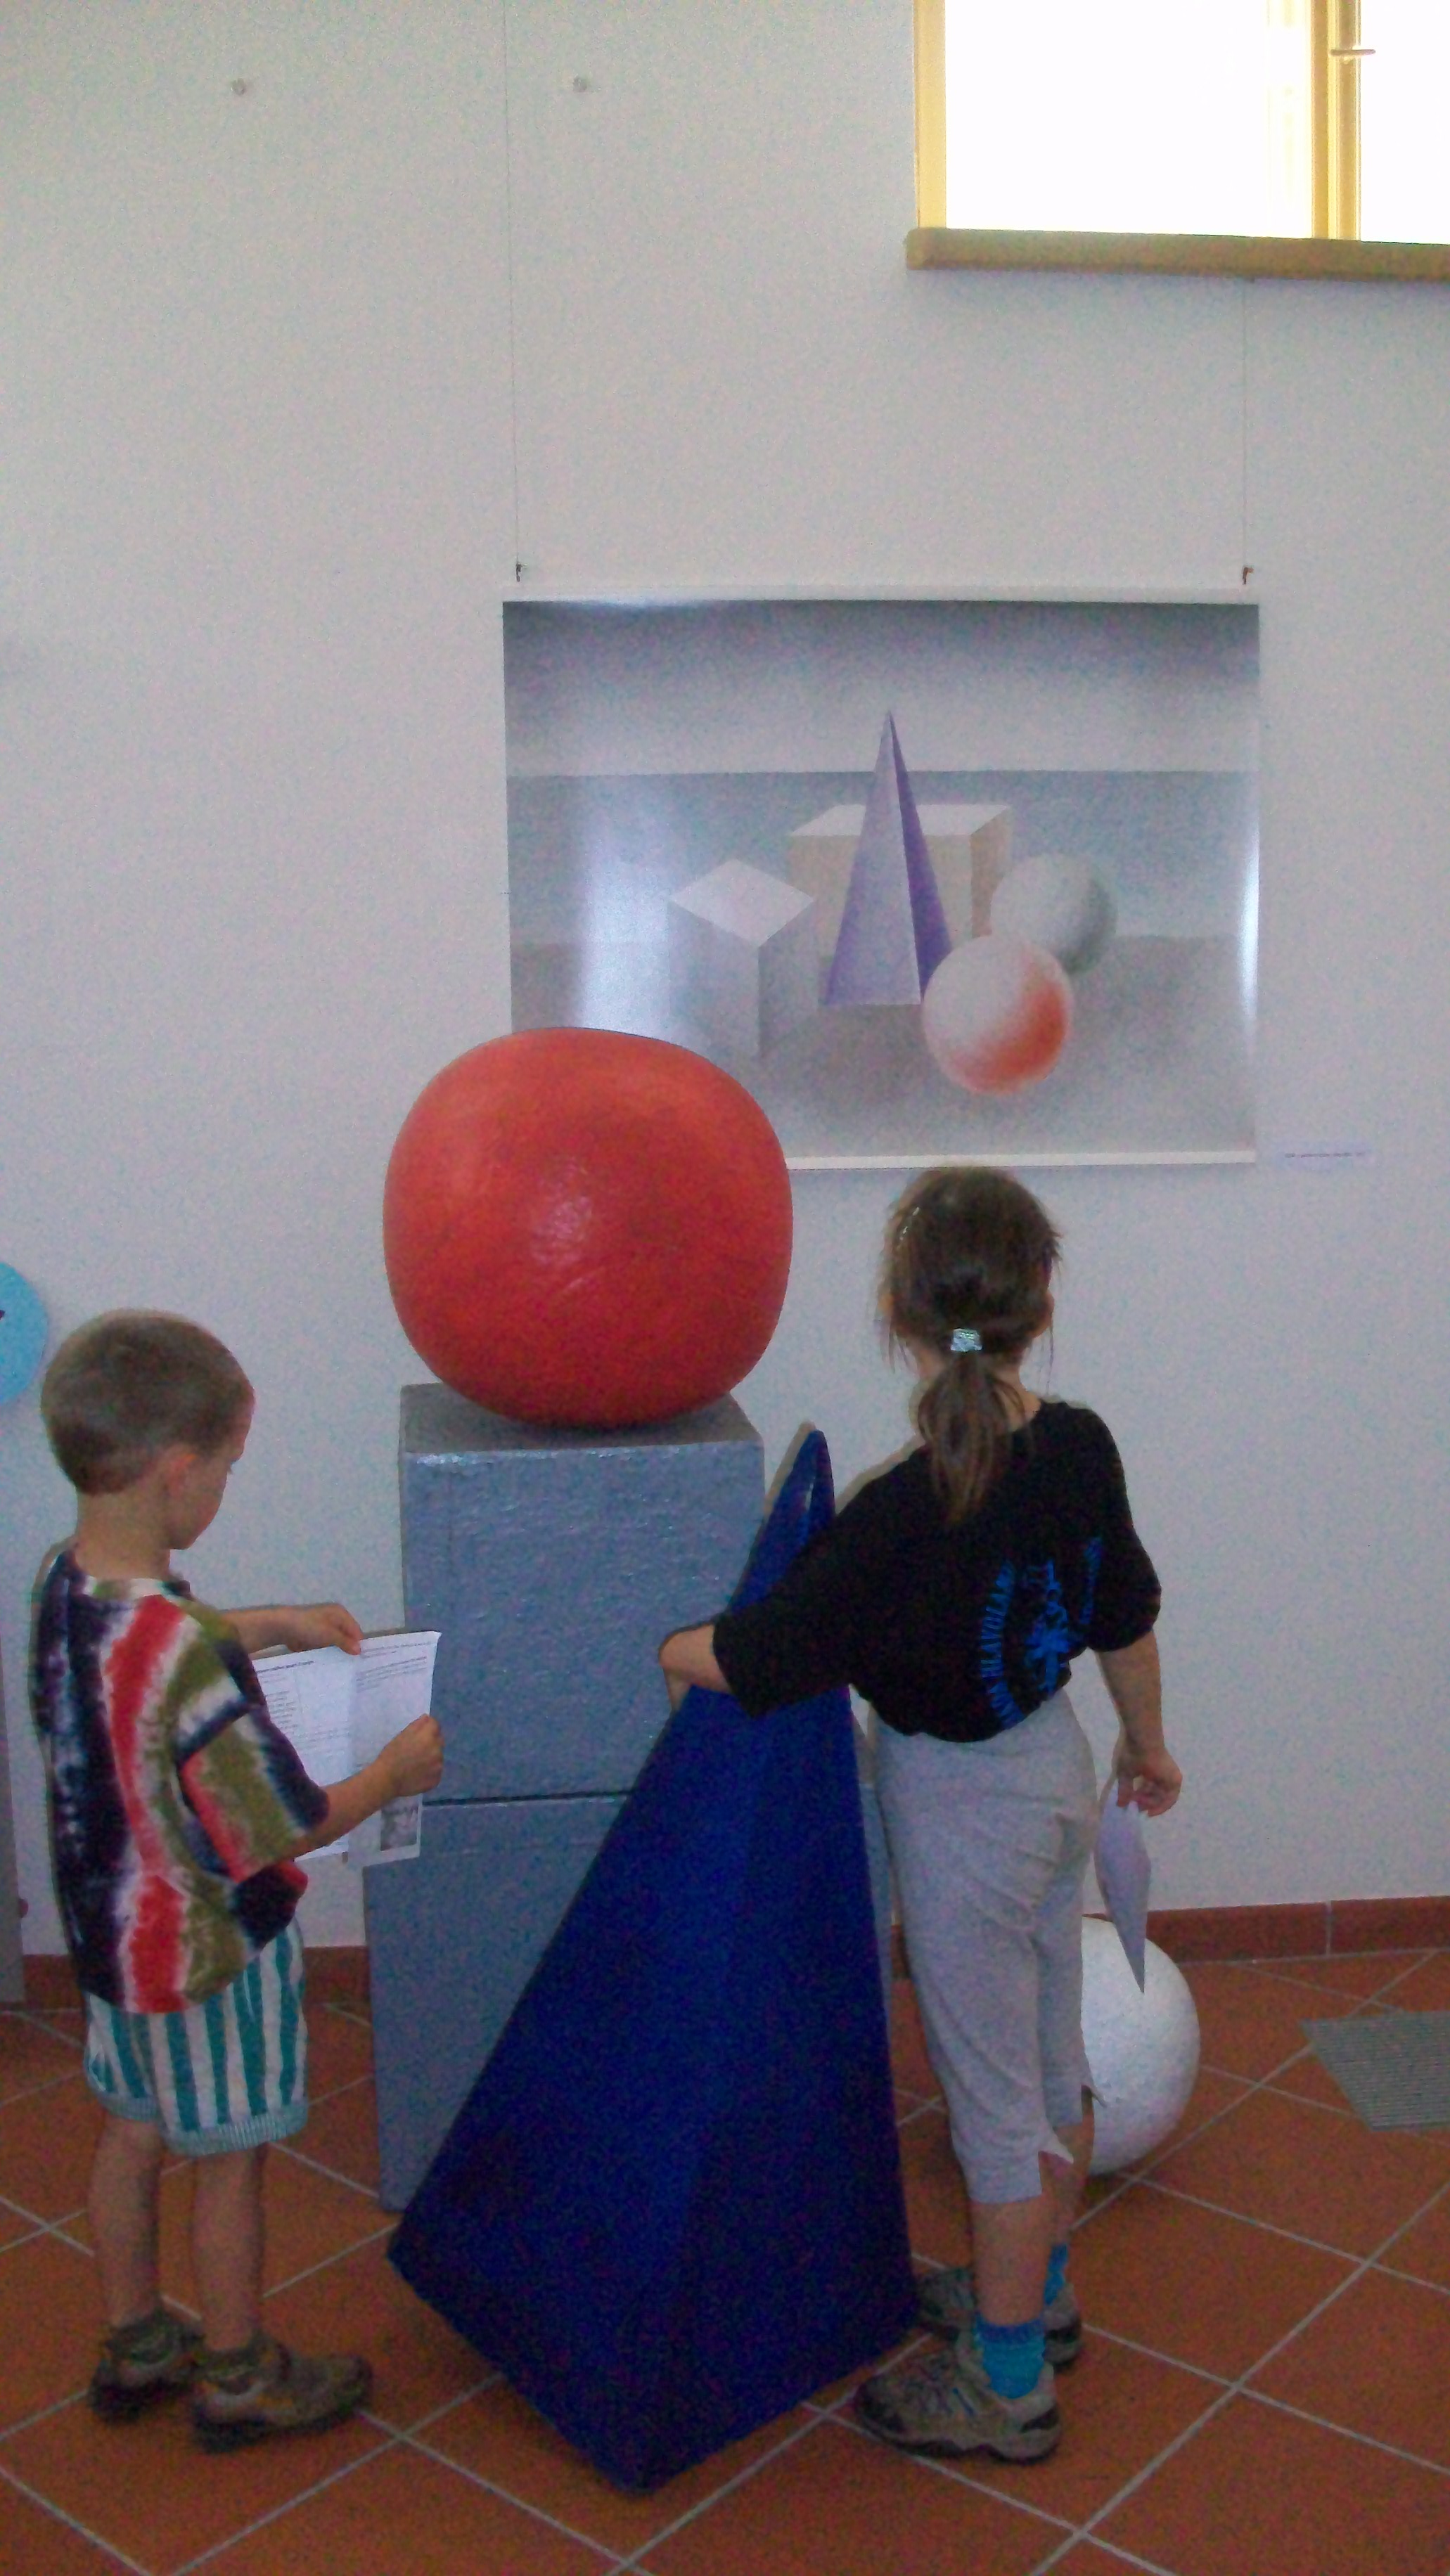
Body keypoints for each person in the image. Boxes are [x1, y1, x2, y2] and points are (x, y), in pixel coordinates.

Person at [659, 1167, 1180, 2466]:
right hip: (1054, 1776)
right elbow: (1123, 1618)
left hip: (960, 1818)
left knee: (992, 2110)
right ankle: (1040, 2294)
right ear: (1037, 1304)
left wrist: (664, 1648)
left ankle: (1006, 2384)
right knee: (1049, 2067)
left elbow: (761, 1655)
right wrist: (1149, 1745)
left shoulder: (899, 1511)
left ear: (901, 1317)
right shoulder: (1083, 1445)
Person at [30, 1310, 444, 2450]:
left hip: (111, 1941)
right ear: (178, 1473)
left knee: (130, 2134)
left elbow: (142, 1656)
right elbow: (280, 1829)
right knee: (227, 2162)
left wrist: (263, 1624)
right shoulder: (190, 1657)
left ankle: (135, 2342)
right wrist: (391, 1773)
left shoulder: (62, 1582)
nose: (222, 1488)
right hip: (211, 1953)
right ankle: (237, 2374)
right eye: (224, 1469)